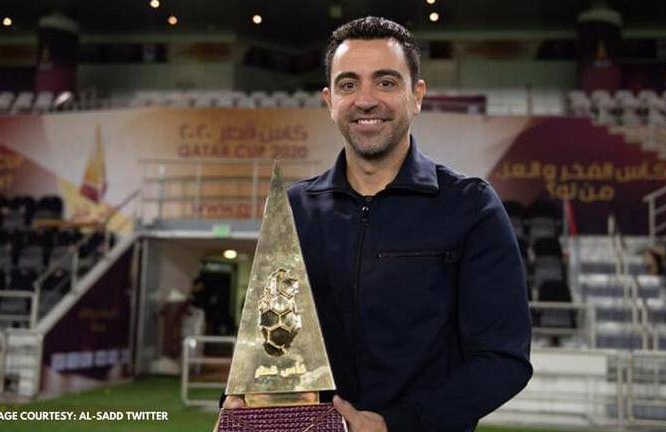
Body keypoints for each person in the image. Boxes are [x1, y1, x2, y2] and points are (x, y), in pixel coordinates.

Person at [221, 16, 532, 432]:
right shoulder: (293, 209)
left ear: (416, 96)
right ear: (330, 100)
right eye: (348, 84)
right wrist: (238, 399)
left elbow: (503, 360)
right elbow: (264, 343)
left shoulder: (470, 206)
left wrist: (394, 424)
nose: (365, 100)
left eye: (385, 82)